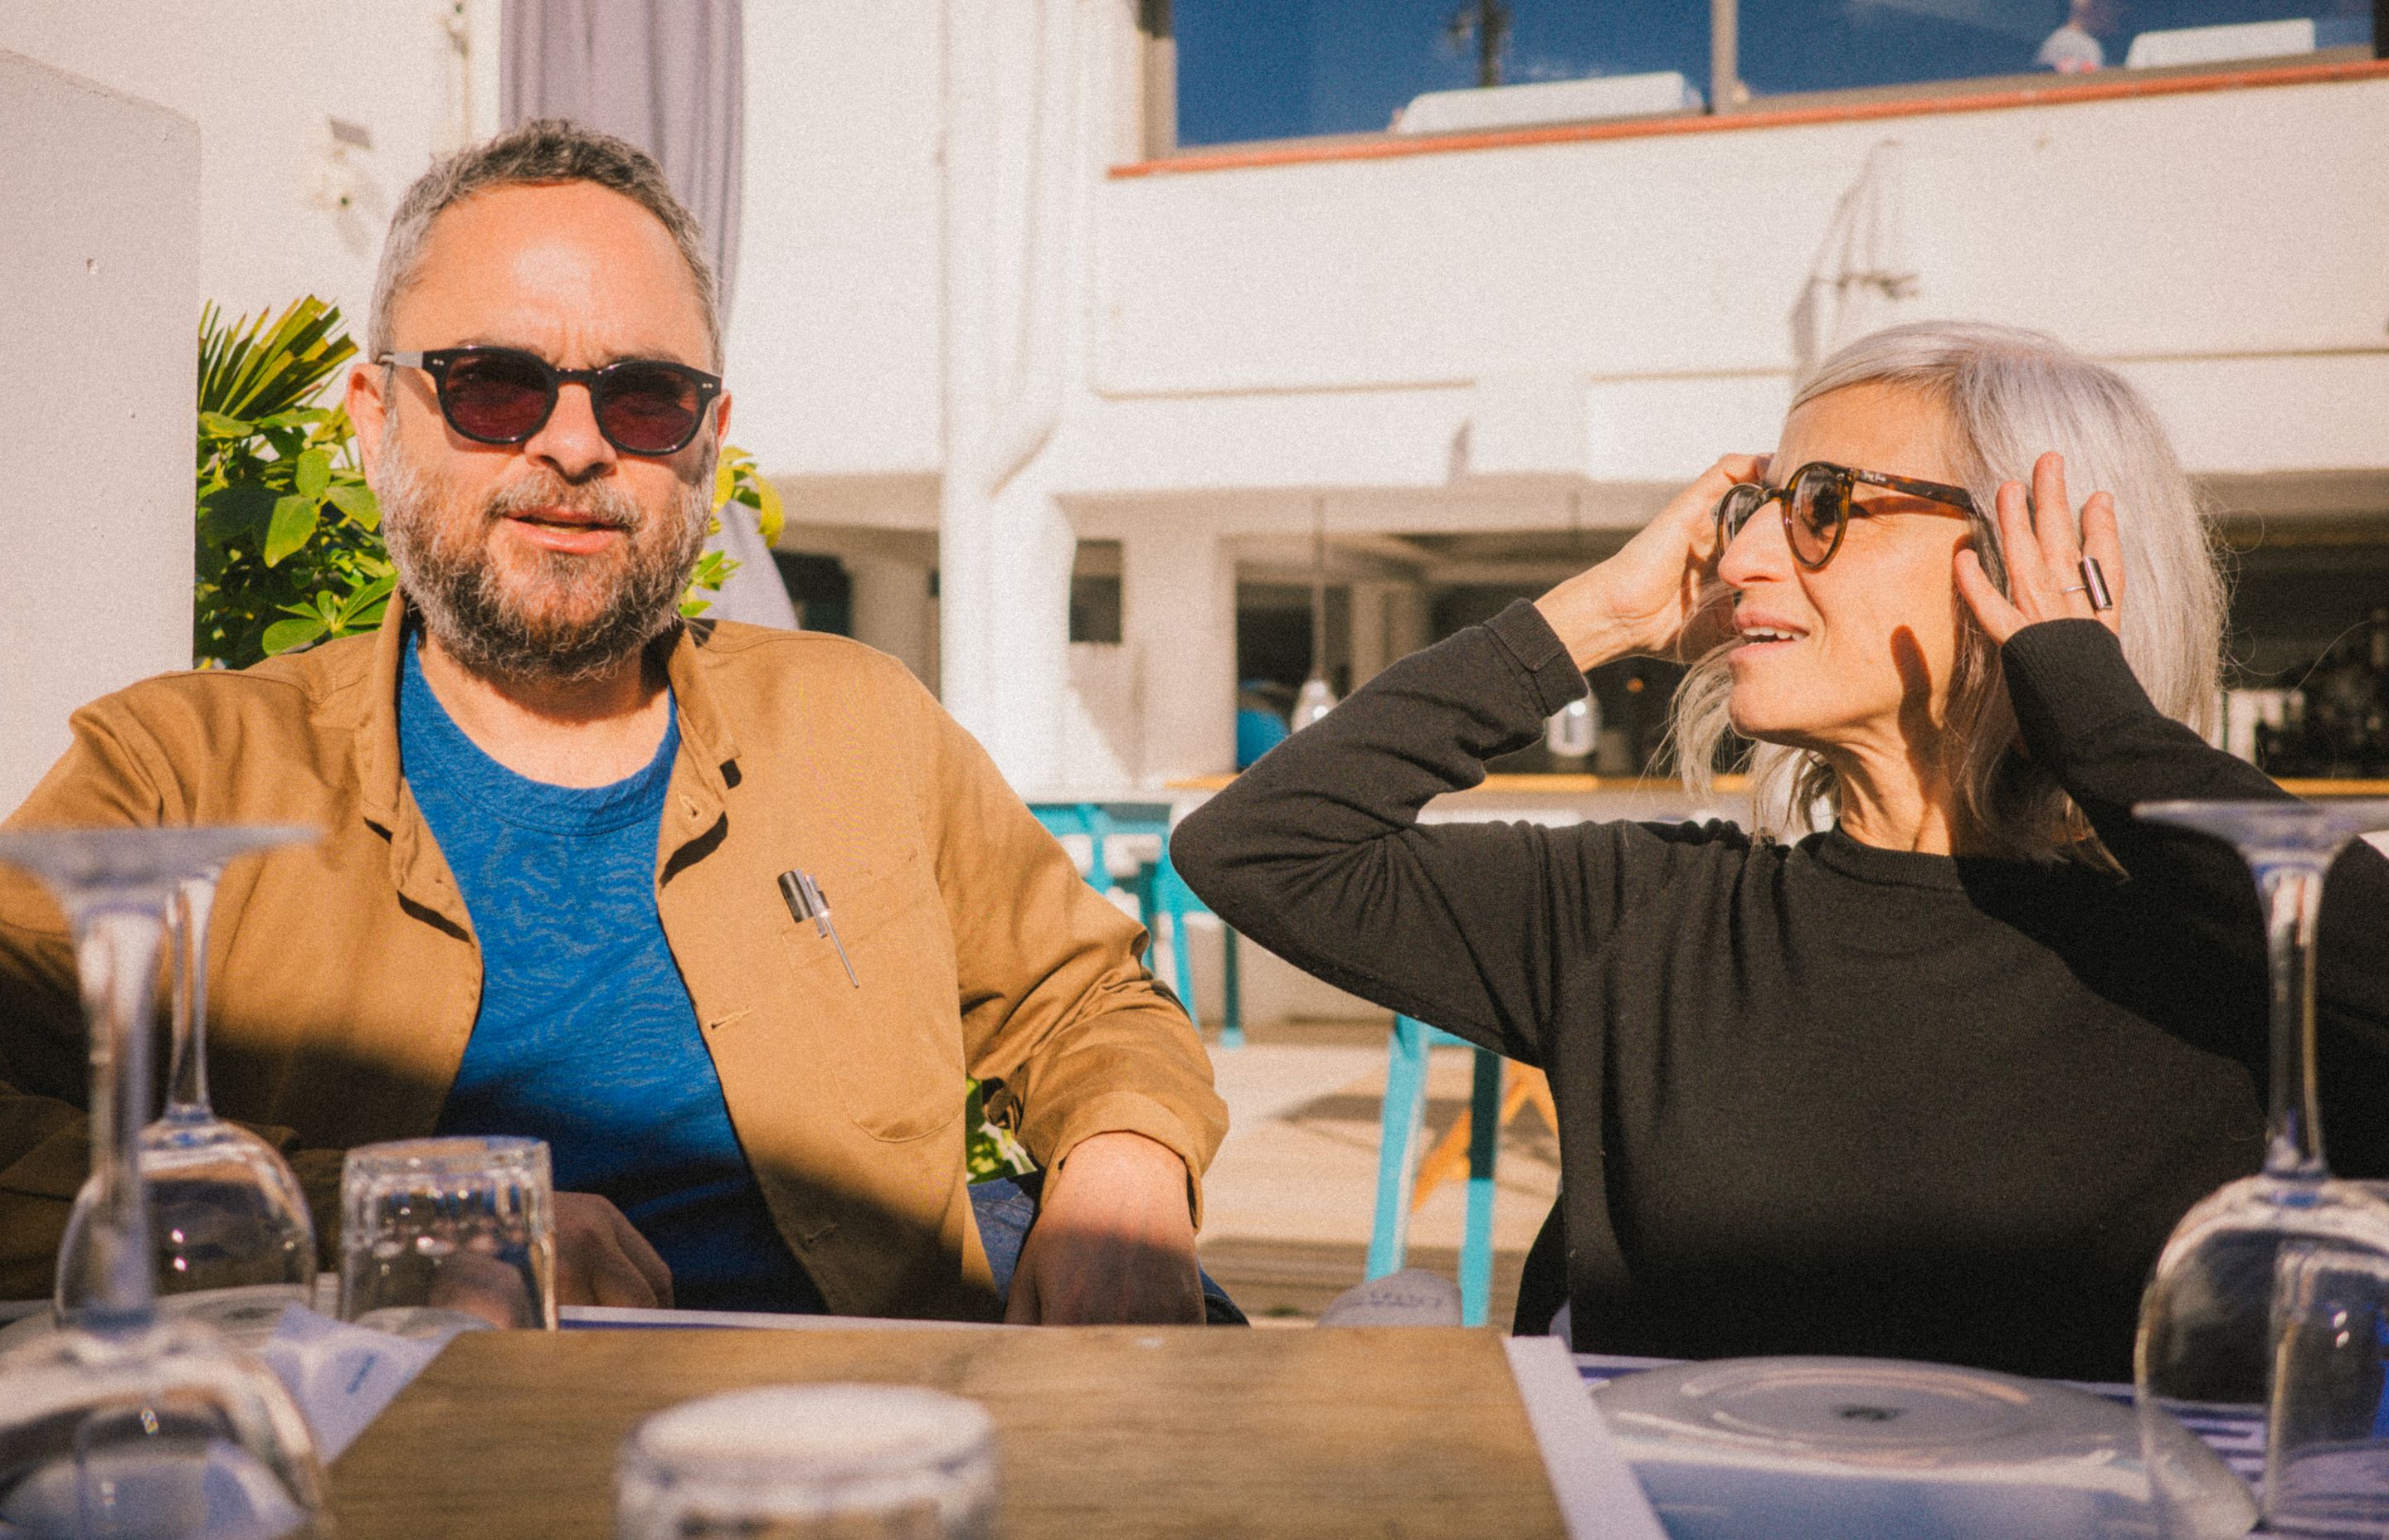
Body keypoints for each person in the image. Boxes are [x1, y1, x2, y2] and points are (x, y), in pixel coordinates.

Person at [0, 120, 1228, 1325]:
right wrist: (384, 1227)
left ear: (707, 441)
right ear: (375, 424)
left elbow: (1091, 1002)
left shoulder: (860, 726)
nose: (575, 445)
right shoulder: (183, 773)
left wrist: (1125, 1163)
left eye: (644, 399)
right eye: (495, 387)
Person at [1175, 322, 2389, 1380]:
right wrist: (1600, 613)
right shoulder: (1649, 917)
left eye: (1821, 509)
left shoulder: (2219, 962)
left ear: (2039, 559)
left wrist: (2102, 723)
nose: (1743, 558)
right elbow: (1267, 849)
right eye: (1754, 510)